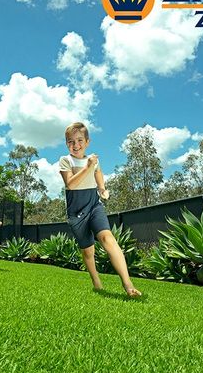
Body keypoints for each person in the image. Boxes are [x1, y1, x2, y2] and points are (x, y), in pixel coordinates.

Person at [59, 122, 142, 297]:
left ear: (87, 141)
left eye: (80, 140)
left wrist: (102, 188)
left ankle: (128, 285)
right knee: (88, 251)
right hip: (76, 212)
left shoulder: (94, 161)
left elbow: (98, 173)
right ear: (67, 144)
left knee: (107, 237)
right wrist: (88, 166)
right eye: (71, 142)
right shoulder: (66, 161)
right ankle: (96, 281)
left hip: (94, 205)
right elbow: (71, 184)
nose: (76, 145)